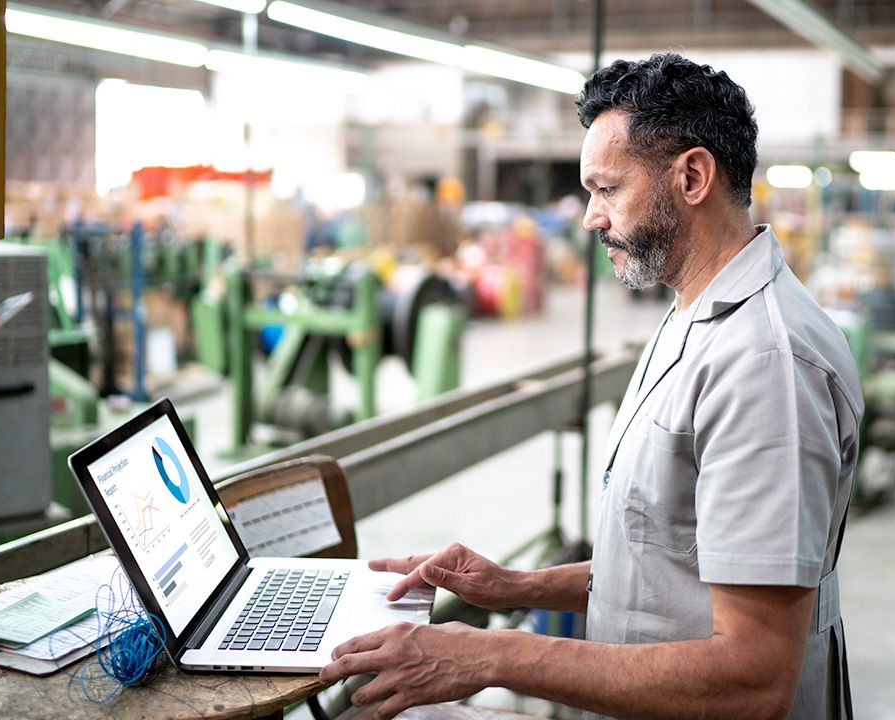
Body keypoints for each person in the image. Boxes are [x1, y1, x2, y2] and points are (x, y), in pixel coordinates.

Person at [320, 52, 864, 720]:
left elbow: (754, 677)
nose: (589, 218)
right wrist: (516, 585)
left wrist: (493, 656)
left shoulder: (764, 363)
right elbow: (670, 570)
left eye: (606, 189)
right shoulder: (695, 312)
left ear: (693, 175)